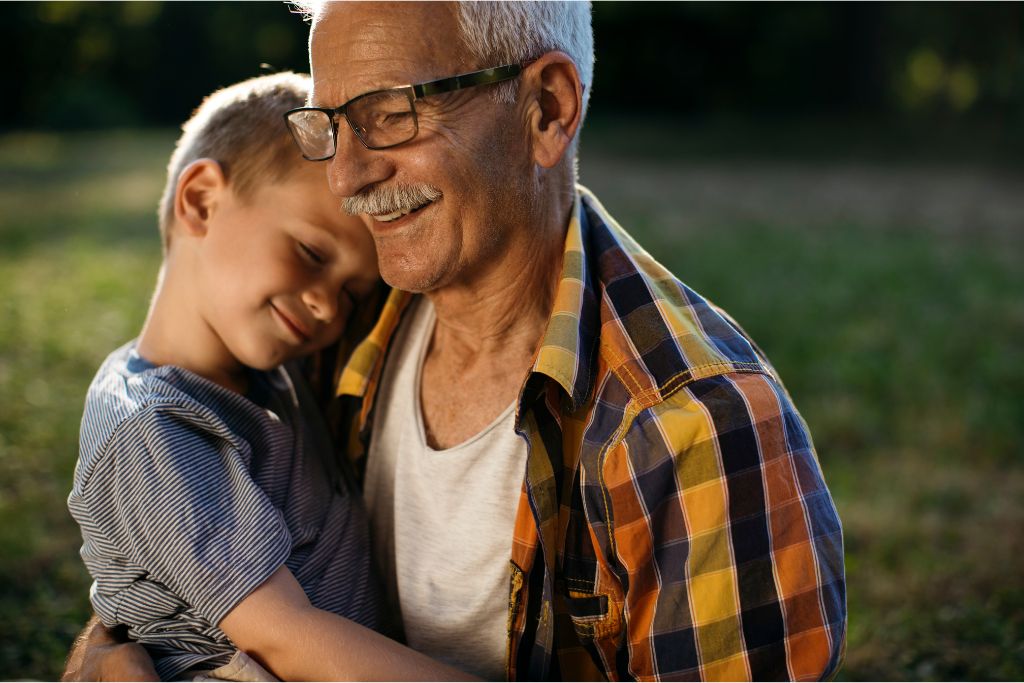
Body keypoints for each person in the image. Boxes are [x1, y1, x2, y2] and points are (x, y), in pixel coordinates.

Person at [67, 2, 847, 680]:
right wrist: (110, 647)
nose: (345, 178)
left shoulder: (691, 430)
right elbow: (179, 550)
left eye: (390, 113)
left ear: (546, 108)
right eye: (334, 124)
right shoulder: (334, 329)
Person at [65, 72, 472, 682]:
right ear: (201, 201)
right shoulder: (152, 430)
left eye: (351, 295)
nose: (328, 309)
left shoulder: (266, 378)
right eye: (311, 253)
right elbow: (282, 635)